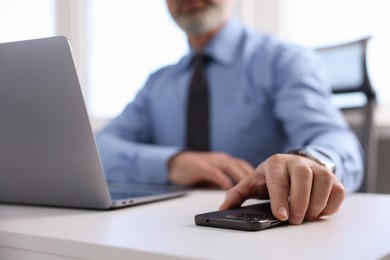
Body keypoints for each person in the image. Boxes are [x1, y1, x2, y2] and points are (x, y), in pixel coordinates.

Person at [96, 0, 363, 225]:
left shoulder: (283, 60)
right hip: (172, 228)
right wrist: (172, 163)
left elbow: (336, 141)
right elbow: (99, 148)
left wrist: (310, 162)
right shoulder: (157, 84)